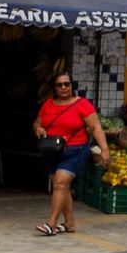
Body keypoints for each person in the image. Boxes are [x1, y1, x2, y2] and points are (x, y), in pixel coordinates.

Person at [32, 73, 110, 236]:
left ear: (71, 85)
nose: (63, 88)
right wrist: (38, 128)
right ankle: (69, 223)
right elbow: (37, 122)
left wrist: (104, 150)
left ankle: (51, 224)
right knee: (61, 186)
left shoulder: (82, 104)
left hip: (75, 150)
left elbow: (96, 127)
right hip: (52, 151)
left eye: (66, 84)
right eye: (59, 85)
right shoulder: (48, 104)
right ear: (54, 88)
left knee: (60, 183)